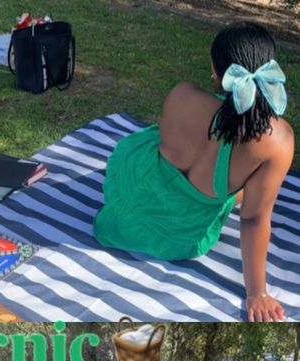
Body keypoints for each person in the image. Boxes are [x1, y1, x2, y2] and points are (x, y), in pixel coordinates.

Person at [93, 22, 294, 322]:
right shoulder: (277, 140)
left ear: (215, 71)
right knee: (239, 183)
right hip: (180, 239)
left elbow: (163, 141)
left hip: (128, 205)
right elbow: (253, 218)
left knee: (141, 142)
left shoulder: (182, 95)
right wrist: (256, 293)